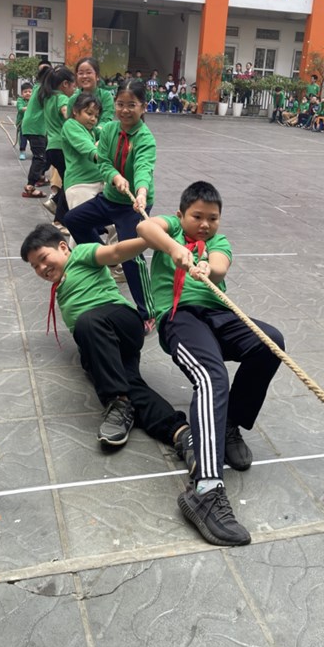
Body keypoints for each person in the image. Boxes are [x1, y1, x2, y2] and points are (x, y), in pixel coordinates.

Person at [136, 181, 284, 546]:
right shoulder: (171, 228)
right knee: (211, 376)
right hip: (180, 317)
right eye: (197, 216)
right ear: (182, 214)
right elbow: (144, 227)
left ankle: (229, 424)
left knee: (270, 343)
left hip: (219, 314)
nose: (205, 224)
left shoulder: (219, 241)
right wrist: (175, 250)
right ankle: (205, 488)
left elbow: (219, 267)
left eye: (212, 218)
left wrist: (205, 267)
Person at [20, 223, 193, 463]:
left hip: (121, 321)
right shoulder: (60, 282)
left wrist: (153, 240)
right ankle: (181, 434)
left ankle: (117, 402)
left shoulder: (80, 254)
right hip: (101, 342)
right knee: (128, 384)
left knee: (87, 323)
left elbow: (115, 252)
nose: (41, 268)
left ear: (63, 247)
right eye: (34, 266)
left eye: (43, 258)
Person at [64, 80, 156, 332]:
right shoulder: (109, 130)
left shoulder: (145, 138)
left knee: (132, 256)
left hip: (132, 205)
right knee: (73, 220)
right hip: (110, 198)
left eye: (132, 105)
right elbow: (103, 161)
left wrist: (141, 192)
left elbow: (144, 167)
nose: (125, 110)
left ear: (143, 107)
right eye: (120, 104)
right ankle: (104, 255)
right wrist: (114, 176)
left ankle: (148, 312)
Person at [41, 65, 76, 232]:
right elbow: (66, 112)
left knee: (68, 180)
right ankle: (59, 221)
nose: (74, 89)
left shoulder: (48, 98)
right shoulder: (62, 98)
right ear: (65, 84)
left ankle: (54, 202)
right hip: (62, 147)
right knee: (71, 181)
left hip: (51, 147)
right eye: (73, 85)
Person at [61, 92, 103, 210]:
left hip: (99, 182)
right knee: (85, 221)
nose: (93, 119)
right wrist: (99, 151)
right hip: (81, 185)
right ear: (75, 111)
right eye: (89, 113)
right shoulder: (71, 125)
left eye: (96, 116)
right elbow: (86, 147)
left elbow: (108, 134)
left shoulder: (92, 130)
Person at [21, 62, 52, 198]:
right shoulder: (44, 90)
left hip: (33, 126)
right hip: (35, 127)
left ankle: (40, 177)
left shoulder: (38, 87)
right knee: (40, 157)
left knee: (46, 154)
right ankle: (30, 186)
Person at [16, 82, 32, 160]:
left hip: (32, 124)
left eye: (30, 91)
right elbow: (20, 108)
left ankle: (35, 151)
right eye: (25, 92)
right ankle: (22, 151)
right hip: (22, 123)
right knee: (23, 136)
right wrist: (30, 107)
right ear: (22, 93)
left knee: (34, 138)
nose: (28, 93)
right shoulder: (20, 100)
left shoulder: (33, 100)